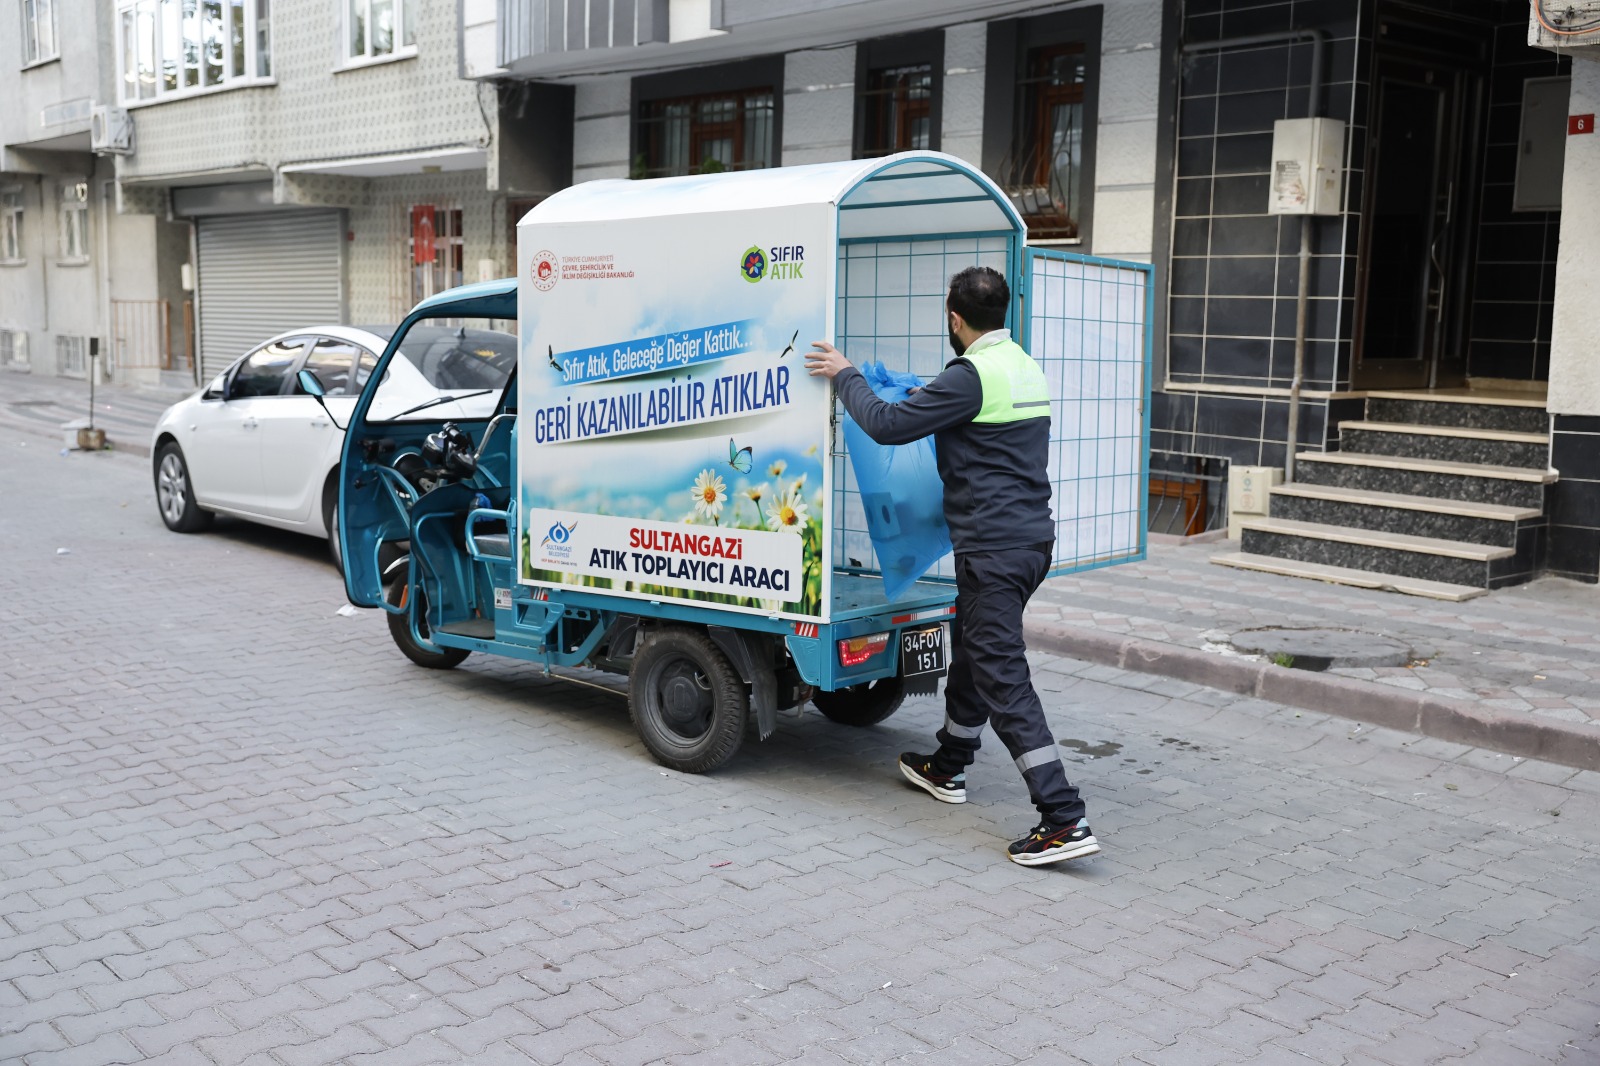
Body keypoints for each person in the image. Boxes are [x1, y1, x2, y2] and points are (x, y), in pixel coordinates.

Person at [804, 265, 1098, 866]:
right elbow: (973, 421)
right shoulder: (1018, 363)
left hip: (993, 550)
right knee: (973, 646)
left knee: (1001, 675)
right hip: (1028, 543)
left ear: (955, 319)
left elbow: (886, 427)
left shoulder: (969, 376)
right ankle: (948, 765)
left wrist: (845, 375)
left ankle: (1062, 817)